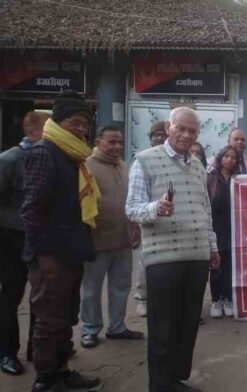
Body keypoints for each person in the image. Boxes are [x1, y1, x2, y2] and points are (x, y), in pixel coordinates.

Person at [126, 106, 220, 392]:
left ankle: (176, 377)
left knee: (188, 322)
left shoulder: (198, 166)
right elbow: (131, 209)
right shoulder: (144, 161)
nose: (186, 135)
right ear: (169, 128)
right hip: (163, 259)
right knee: (163, 325)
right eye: (181, 128)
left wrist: (212, 247)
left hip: (196, 257)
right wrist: (156, 207)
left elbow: (206, 211)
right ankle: (160, 384)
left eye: (192, 131)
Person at [21, 91, 101, 391]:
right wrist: (41, 255)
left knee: (67, 314)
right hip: (50, 254)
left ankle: (63, 371)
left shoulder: (73, 154)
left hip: (70, 250)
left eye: (84, 125)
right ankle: (46, 379)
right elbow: (32, 209)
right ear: (58, 121)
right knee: (49, 318)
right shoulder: (45, 152)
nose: (81, 129)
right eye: (75, 123)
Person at [79, 126, 144, 349]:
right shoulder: (86, 165)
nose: (117, 146)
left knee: (121, 285)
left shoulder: (124, 166)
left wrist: (135, 227)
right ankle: (90, 329)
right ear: (98, 141)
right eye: (111, 142)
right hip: (96, 240)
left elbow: (132, 200)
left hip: (123, 239)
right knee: (91, 288)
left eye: (119, 142)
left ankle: (117, 327)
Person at [0, 111, 49, 376]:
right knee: (11, 296)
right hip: (12, 239)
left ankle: (36, 348)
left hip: (41, 239)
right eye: (49, 129)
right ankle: (7, 352)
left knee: (40, 297)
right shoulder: (9, 159)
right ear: (33, 131)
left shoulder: (48, 158)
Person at [134, 121, 169, 318]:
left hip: (170, 221)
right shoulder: (142, 160)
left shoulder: (173, 159)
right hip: (149, 220)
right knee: (145, 264)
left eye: (162, 135)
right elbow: (134, 201)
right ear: (150, 138)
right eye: (155, 135)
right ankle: (142, 299)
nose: (159, 138)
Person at [207, 146, 241, 318]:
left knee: (230, 266)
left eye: (233, 157)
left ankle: (228, 298)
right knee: (216, 266)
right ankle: (216, 300)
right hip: (215, 228)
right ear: (220, 158)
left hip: (234, 228)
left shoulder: (240, 178)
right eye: (226, 156)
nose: (229, 159)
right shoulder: (211, 178)